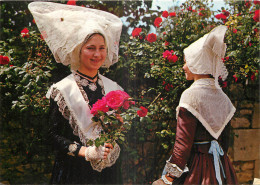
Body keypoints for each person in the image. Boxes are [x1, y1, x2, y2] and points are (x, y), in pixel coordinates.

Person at [28, 2, 123, 184]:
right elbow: (51, 135)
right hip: (74, 171)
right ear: (78, 50)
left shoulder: (113, 88)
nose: (97, 54)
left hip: (108, 173)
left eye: (102, 48)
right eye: (90, 48)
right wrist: (85, 151)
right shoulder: (63, 89)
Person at [153, 25, 238, 185]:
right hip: (221, 166)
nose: (184, 67)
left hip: (197, 169)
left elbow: (183, 145)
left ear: (198, 64)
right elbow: (225, 142)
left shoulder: (191, 95)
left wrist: (168, 178)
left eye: (187, 62)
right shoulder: (223, 97)